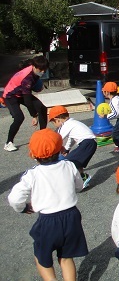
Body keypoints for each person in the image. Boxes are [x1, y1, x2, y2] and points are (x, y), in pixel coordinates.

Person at [8, 129, 88, 281]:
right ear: (59, 148)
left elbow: (14, 198)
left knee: (41, 257)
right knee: (66, 257)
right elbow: (79, 186)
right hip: (71, 216)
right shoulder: (70, 165)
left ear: (33, 154)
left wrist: (23, 208)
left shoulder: (33, 174)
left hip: (48, 221)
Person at [3, 55, 49, 151]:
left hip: (21, 93)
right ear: (34, 67)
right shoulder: (27, 79)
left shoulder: (33, 69)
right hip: (10, 96)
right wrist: (34, 116)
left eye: (44, 69)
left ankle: (43, 135)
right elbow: (28, 101)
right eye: (41, 69)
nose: (43, 72)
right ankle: (8, 143)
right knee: (19, 117)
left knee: (42, 108)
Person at [48, 105, 97, 189]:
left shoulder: (66, 125)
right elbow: (71, 139)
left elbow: (58, 138)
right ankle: (82, 178)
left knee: (68, 162)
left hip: (87, 144)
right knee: (77, 162)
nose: (54, 125)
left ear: (57, 119)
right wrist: (67, 149)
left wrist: (50, 149)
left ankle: (81, 178)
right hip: (89, 144)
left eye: (53, 123)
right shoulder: (73, 123)